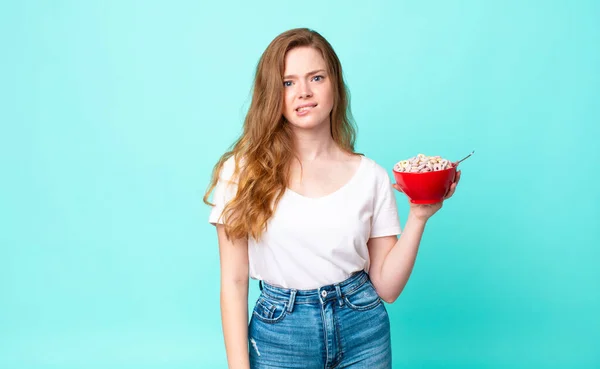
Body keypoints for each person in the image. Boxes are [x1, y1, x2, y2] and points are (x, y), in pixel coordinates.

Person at [204, 27, 460, 369]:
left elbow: (388, 288)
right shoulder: (242, 172)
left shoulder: (371, 176)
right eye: (288, 82)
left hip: (362, 328)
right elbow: (234, 282)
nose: (304, 92)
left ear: (335, 86)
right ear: (272, 94)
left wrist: (418, 216)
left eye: (316, 77)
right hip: (281, 335)